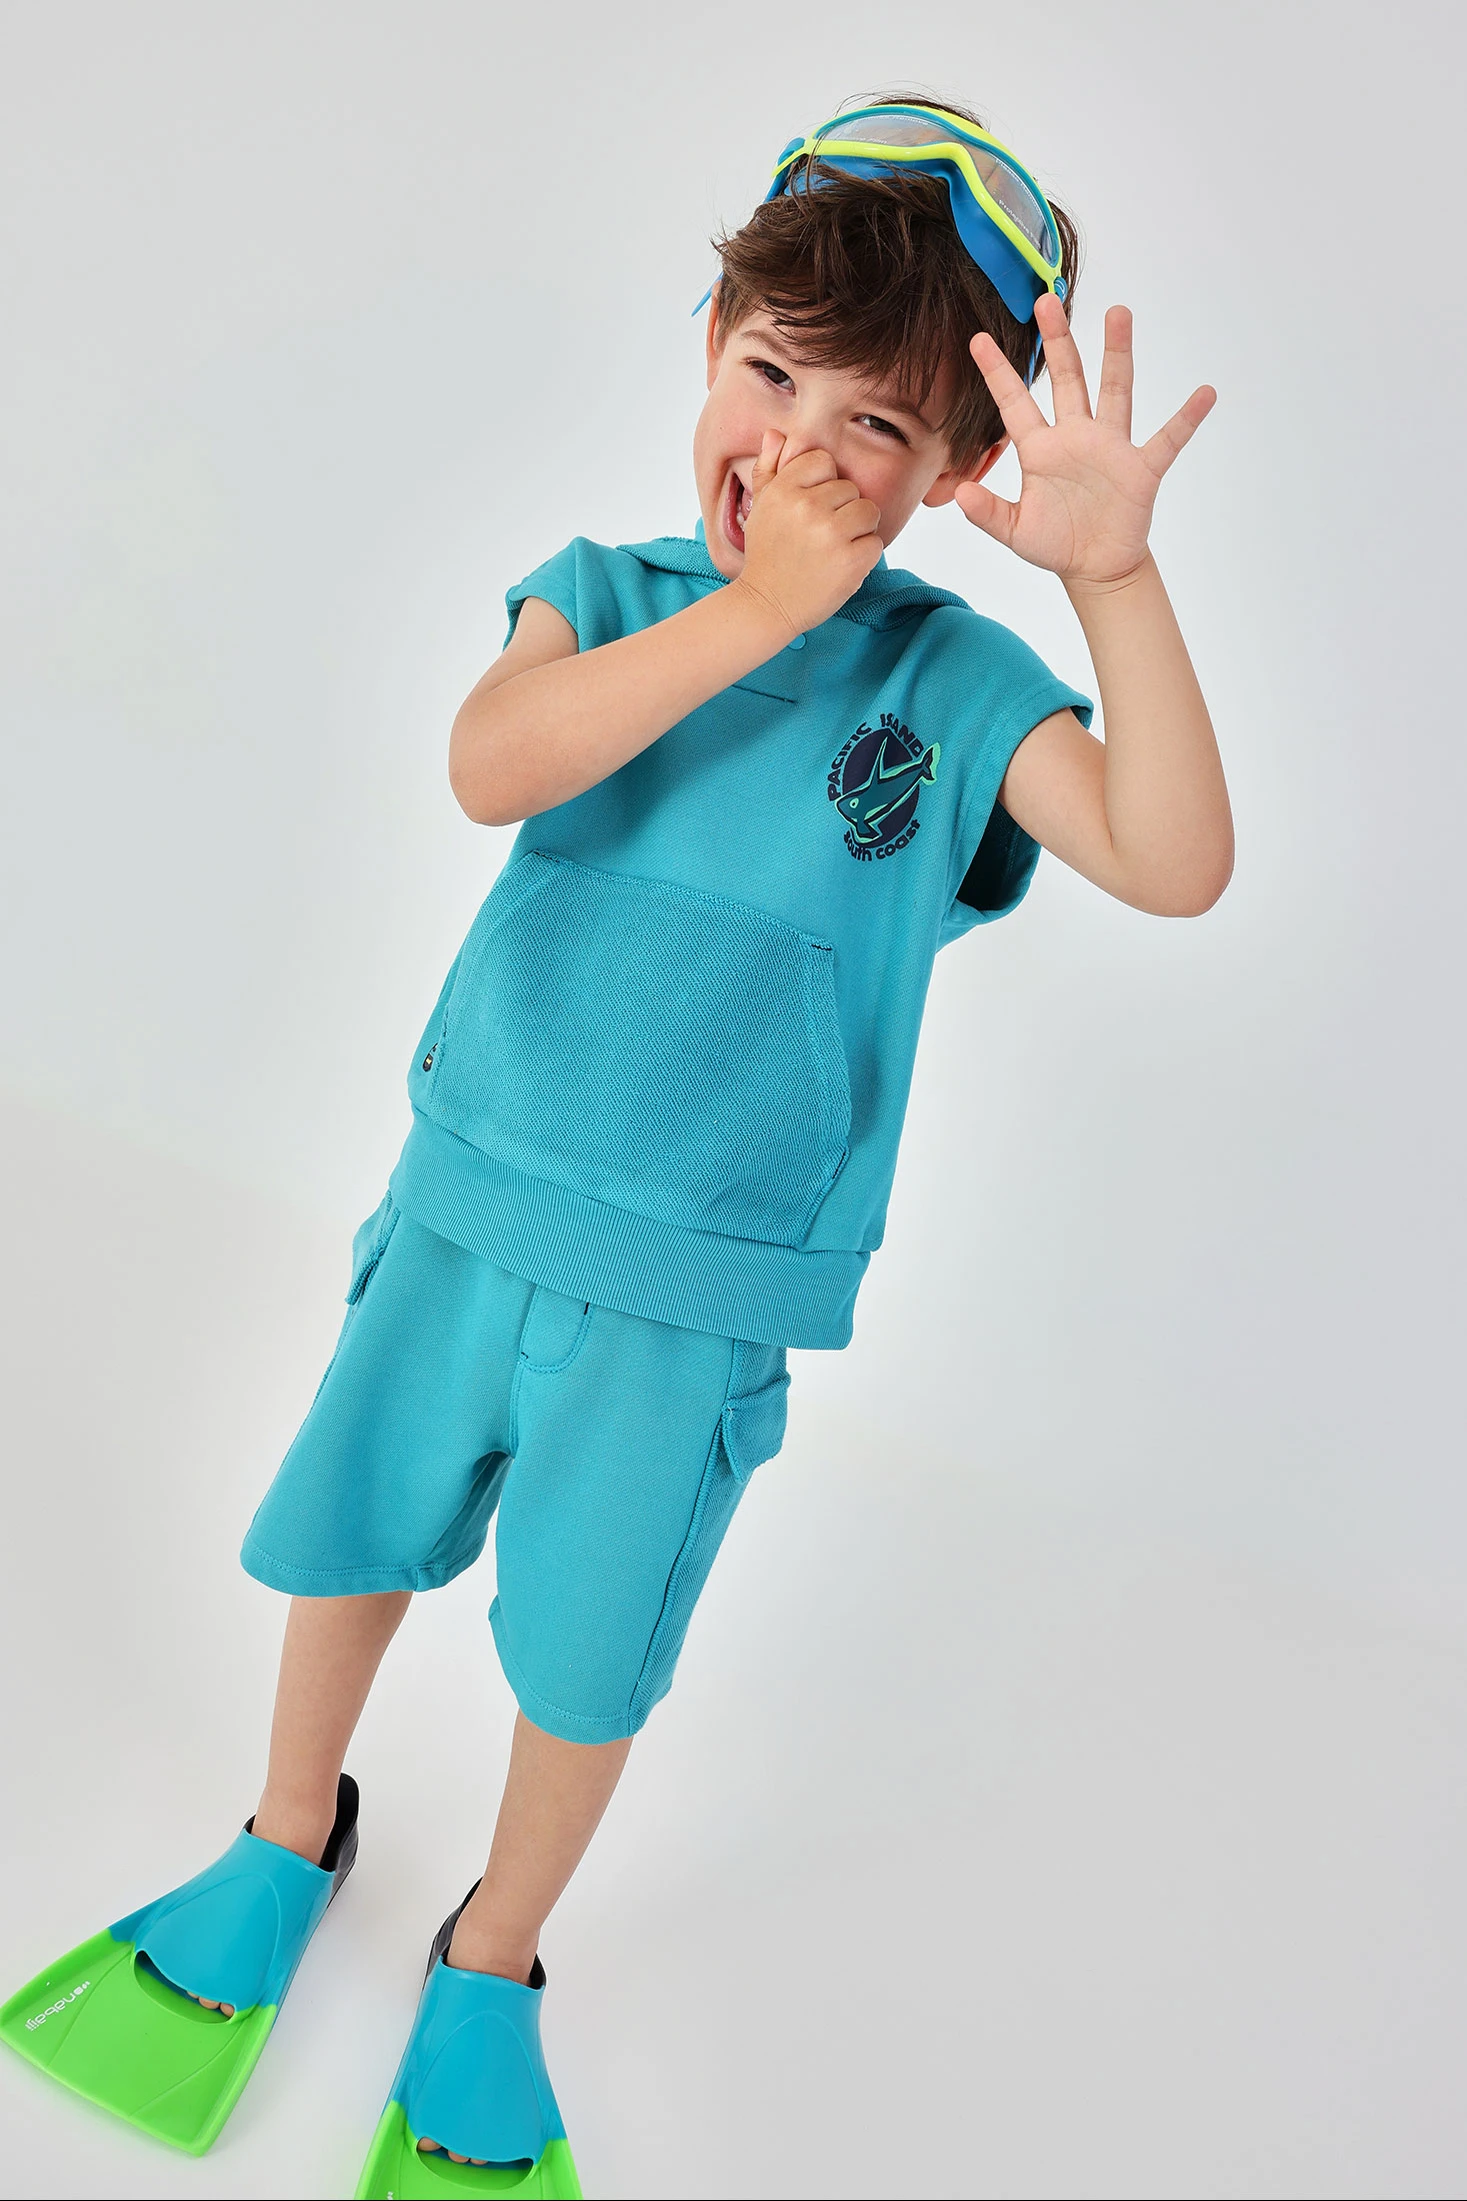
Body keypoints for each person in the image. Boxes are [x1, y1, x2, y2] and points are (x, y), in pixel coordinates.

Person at [0, 92, 1232, 2196]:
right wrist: (748, 615)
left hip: (690, 1303)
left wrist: (1114, 581)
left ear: (957, 474)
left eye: (873, 426)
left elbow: (1169, 858)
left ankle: (492, 1953)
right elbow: (492, 765)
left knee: (586, 1659)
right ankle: (286, 1835)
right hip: (467, 1209)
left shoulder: (953, 688)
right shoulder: (605, 591)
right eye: (770, 375)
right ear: (705, 347)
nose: (801, 453)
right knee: (350, 1537)